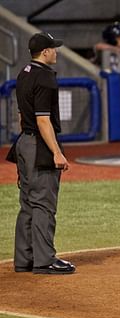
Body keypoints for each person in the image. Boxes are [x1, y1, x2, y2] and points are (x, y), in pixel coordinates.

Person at [11, 32, 75, 274]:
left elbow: (21, 116)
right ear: (45, 52)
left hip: (24, 143)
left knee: (28, 203)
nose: (56, 52)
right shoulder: (46, 77)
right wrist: (56, 153)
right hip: (39, 145)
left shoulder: (23, 74)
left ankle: (24, 259)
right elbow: (43, 121)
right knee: (44, 205)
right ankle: (45, 259)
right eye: (53, 48)